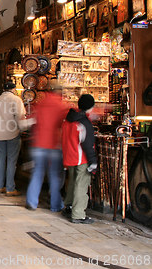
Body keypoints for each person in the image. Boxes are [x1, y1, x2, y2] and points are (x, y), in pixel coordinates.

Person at [25, 83, 69, 211]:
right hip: (53, 144)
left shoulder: (40, 104)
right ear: (60, 93)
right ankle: (56, 205)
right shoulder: (61, 106)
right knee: (54, 175)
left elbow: (32, 120)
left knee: (37, 173)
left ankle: (32, 201)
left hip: (38, 144)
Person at [62, 94, 98, 224]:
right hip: (80, 157)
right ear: (90, 107)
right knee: (81, 185)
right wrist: (93, 161)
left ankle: (69, 206)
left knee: (72, 182)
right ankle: (78, 214)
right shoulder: (84, 123)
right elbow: (87, 144)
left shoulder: (69, 119)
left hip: (69, 155)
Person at [0, 81, 31, 196]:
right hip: (13, 134)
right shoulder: (16, 100)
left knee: (0, 160)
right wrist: (24, 128)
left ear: (3, 89)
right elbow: (20, 117)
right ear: (13, 89)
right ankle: (9, 188)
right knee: (11, 162)